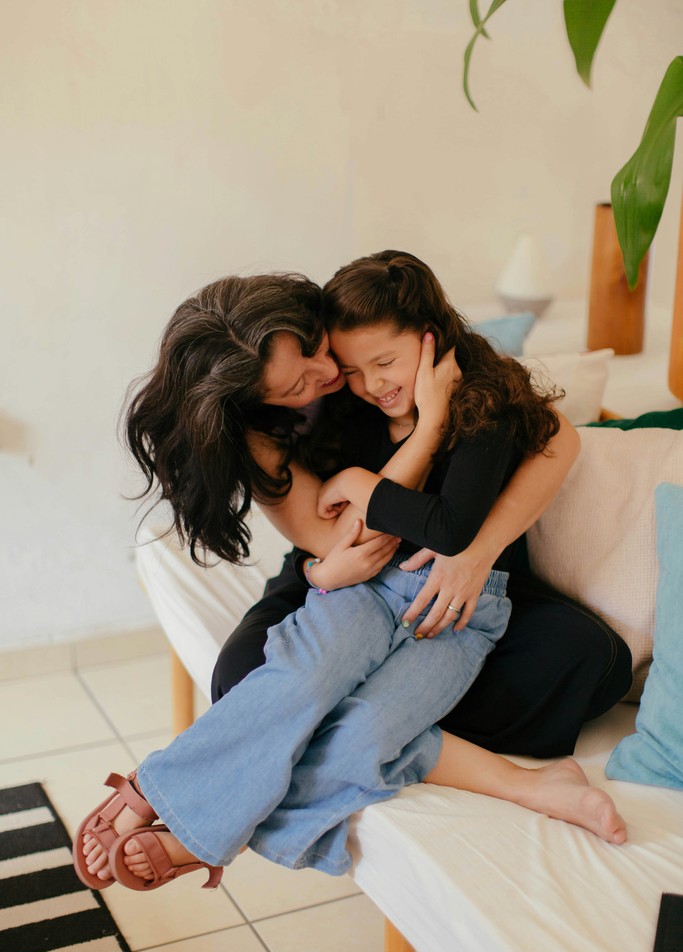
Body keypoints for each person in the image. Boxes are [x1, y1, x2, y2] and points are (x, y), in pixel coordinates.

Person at [74, 251, 628, 893]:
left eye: (314, 348)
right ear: (261, 400)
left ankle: (209, 806)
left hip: (462, 583)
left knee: (585, 659)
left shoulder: (373, 341)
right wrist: (424, 434)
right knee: (258, 676)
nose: (330, 371)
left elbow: (554, 435)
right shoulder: (270, 425)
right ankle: (223, 801)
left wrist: (477, 553)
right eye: (298, 382)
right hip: (345, 573)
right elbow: (356, 540)